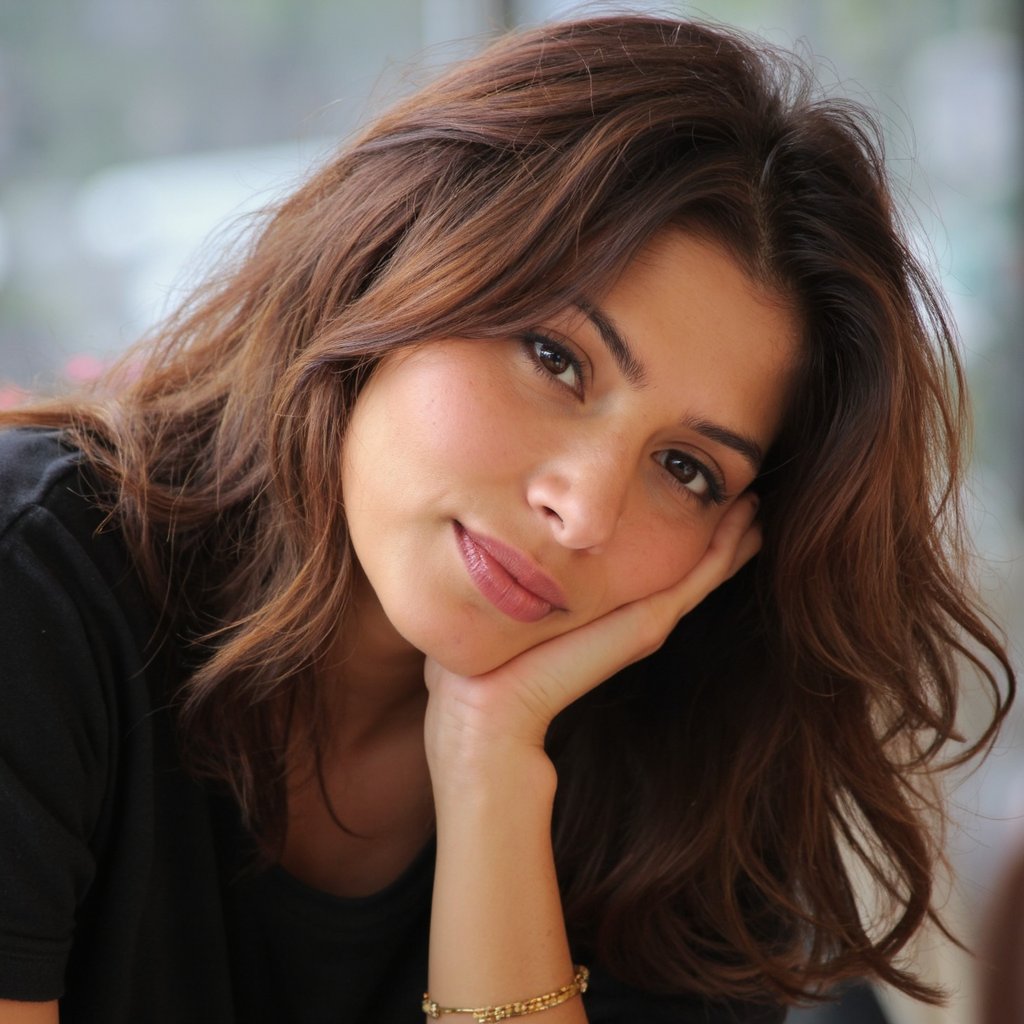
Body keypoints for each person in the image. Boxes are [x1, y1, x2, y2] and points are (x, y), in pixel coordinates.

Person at [0, 14, 1014, 1024]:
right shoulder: (37, 583)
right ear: (394, 256)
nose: (579, 509)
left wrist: (489, 763)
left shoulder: (684, 782)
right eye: (557, 360)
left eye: (685, 468)